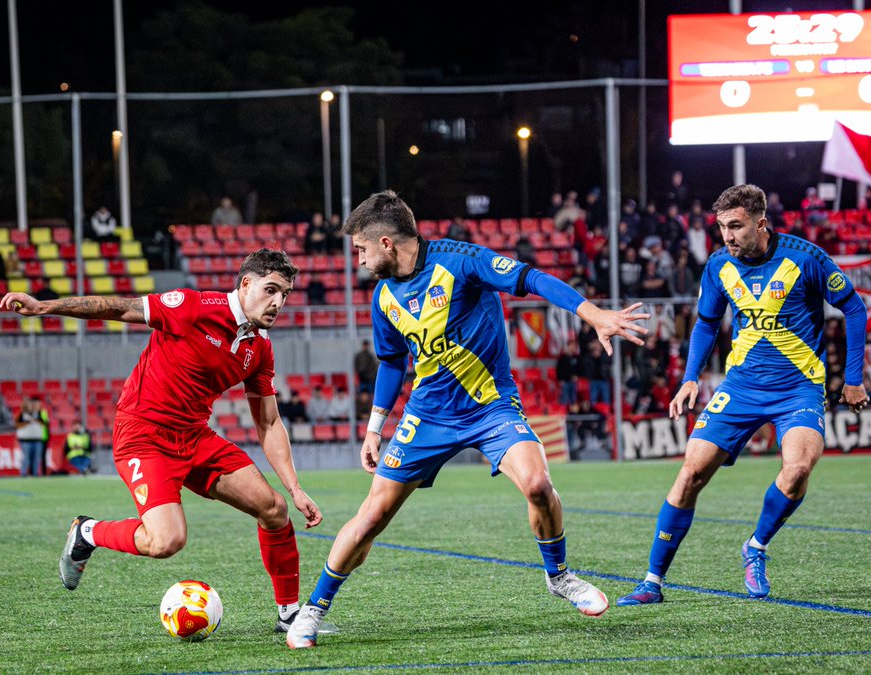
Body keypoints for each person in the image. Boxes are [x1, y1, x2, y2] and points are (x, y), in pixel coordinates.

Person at [286, 190, 650, 648]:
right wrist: (375, 427)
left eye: (360, 248)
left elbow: (530, 278)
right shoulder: (383, 298)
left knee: (538, 484)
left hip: (490, 406)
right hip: (427, 416)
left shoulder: (461, 261)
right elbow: (393, 363)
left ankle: (559, 576)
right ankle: (313, 610)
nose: (356, 259)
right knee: (372, 515)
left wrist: (592, 313)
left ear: (385, 243)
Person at [0, 248, 325, 634]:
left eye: (285, 294)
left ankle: (289, 615)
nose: (278, 302)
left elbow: (269, 423)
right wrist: (44, 308)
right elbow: (118, 308)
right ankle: (87, 532)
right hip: (143, 435)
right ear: (246, 284)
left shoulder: (259, 348)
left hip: (194, 436)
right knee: (166, 541)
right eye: (271, 290)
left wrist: (295, 487)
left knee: (274, 508)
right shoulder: (193, 306)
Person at [616, 184, 868, 607]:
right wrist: (691, 377)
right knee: (690, 473)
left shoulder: (805, 258)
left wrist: (855, 377)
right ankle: (651, 582)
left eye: (736, 226)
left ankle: (756, 546)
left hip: (798, 388)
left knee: (800, 466)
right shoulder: (717, 266)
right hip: (741, 387)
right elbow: (705, 324)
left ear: (761, 223)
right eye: (721, 227)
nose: (727, 236)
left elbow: (855, 308)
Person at [14, 396, 49, 477]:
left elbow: (45, 424)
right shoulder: (21, 414)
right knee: (26, 458)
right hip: (25, 440)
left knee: (36, 458)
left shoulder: (39, 413)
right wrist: (28, 422)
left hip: (37, 439)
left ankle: (35, 474)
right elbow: (17, 425)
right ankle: (23, 473)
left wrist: (35, 420)